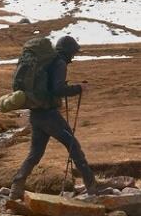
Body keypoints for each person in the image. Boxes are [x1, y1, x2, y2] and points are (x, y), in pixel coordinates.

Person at [10, 35, 98, 200]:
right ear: (68, 51)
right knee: (74, 147)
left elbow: (49, 87)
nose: (74, 56)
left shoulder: (48, 62)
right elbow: (56, 89)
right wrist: (78, 88)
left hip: (36, 114)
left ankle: (16, 188)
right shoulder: (59, 63)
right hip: (49, 115)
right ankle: (92, 188)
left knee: (35, 154)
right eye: (73, 53)